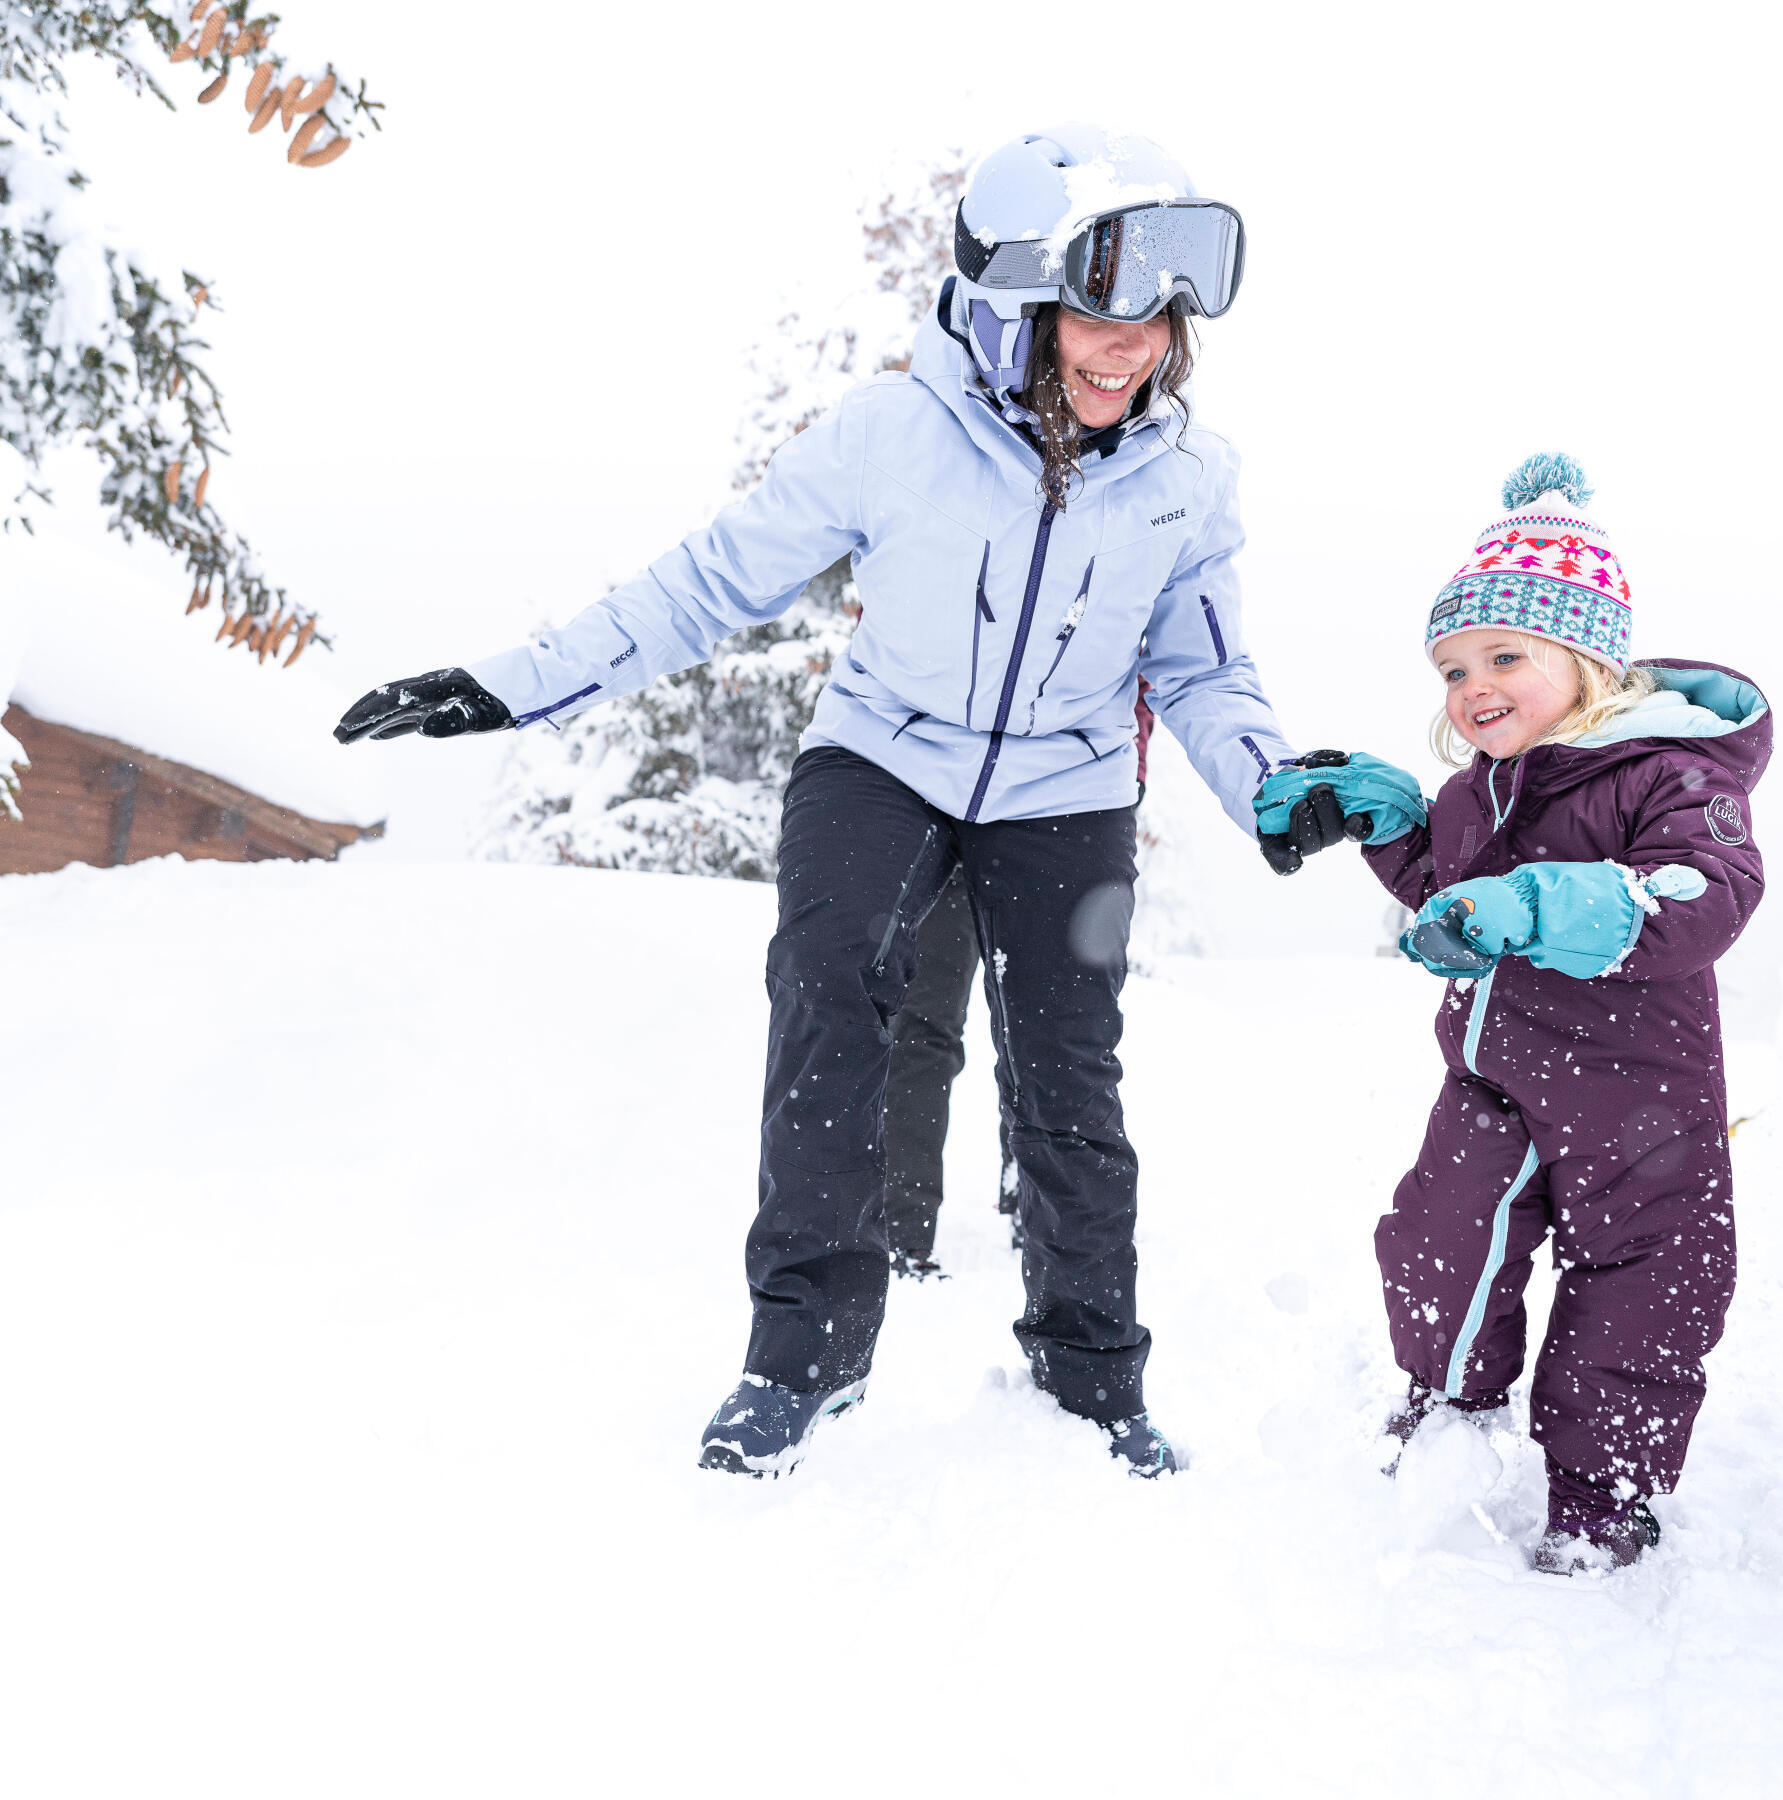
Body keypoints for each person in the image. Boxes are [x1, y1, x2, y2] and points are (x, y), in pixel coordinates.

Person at [335, 125, 1364, 1481]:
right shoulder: (893, 438)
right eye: (1099, 314)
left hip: (1064, 786)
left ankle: (1091, 1377)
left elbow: (1205, 666)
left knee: (1069, 1074)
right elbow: (704, 585)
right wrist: (509, 687)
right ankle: (800, 1360)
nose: (1135, 348)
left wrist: (1270, 789)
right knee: (830, 1007)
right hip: (883, 756)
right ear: (1016, 306)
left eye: (1160, 317)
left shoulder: (1188, 479)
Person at [1255, 454, 1769, 1573]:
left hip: (1645, 1100)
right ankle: (1448, 1403)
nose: (1470, 686)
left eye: (1501, 656)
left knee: (1644, 1289)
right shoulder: (1475, 789)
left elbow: (1703, 895)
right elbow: (1449, 898)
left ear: (1585, 654)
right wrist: (1387, 821)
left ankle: (1605, 1492)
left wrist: (1537, 901)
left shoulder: (1669, 776)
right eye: (1450, 667)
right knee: (1437, 1236)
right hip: (1493, 1078)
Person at [883, 680, 1155, 1278]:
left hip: (1056, 808)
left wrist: (1123, 776)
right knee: (927, 1023)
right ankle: (901, 1230)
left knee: (1041, 1034)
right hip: (936, 797)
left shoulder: (1118, 587)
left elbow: (1141, 676)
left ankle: (1033, 1206)